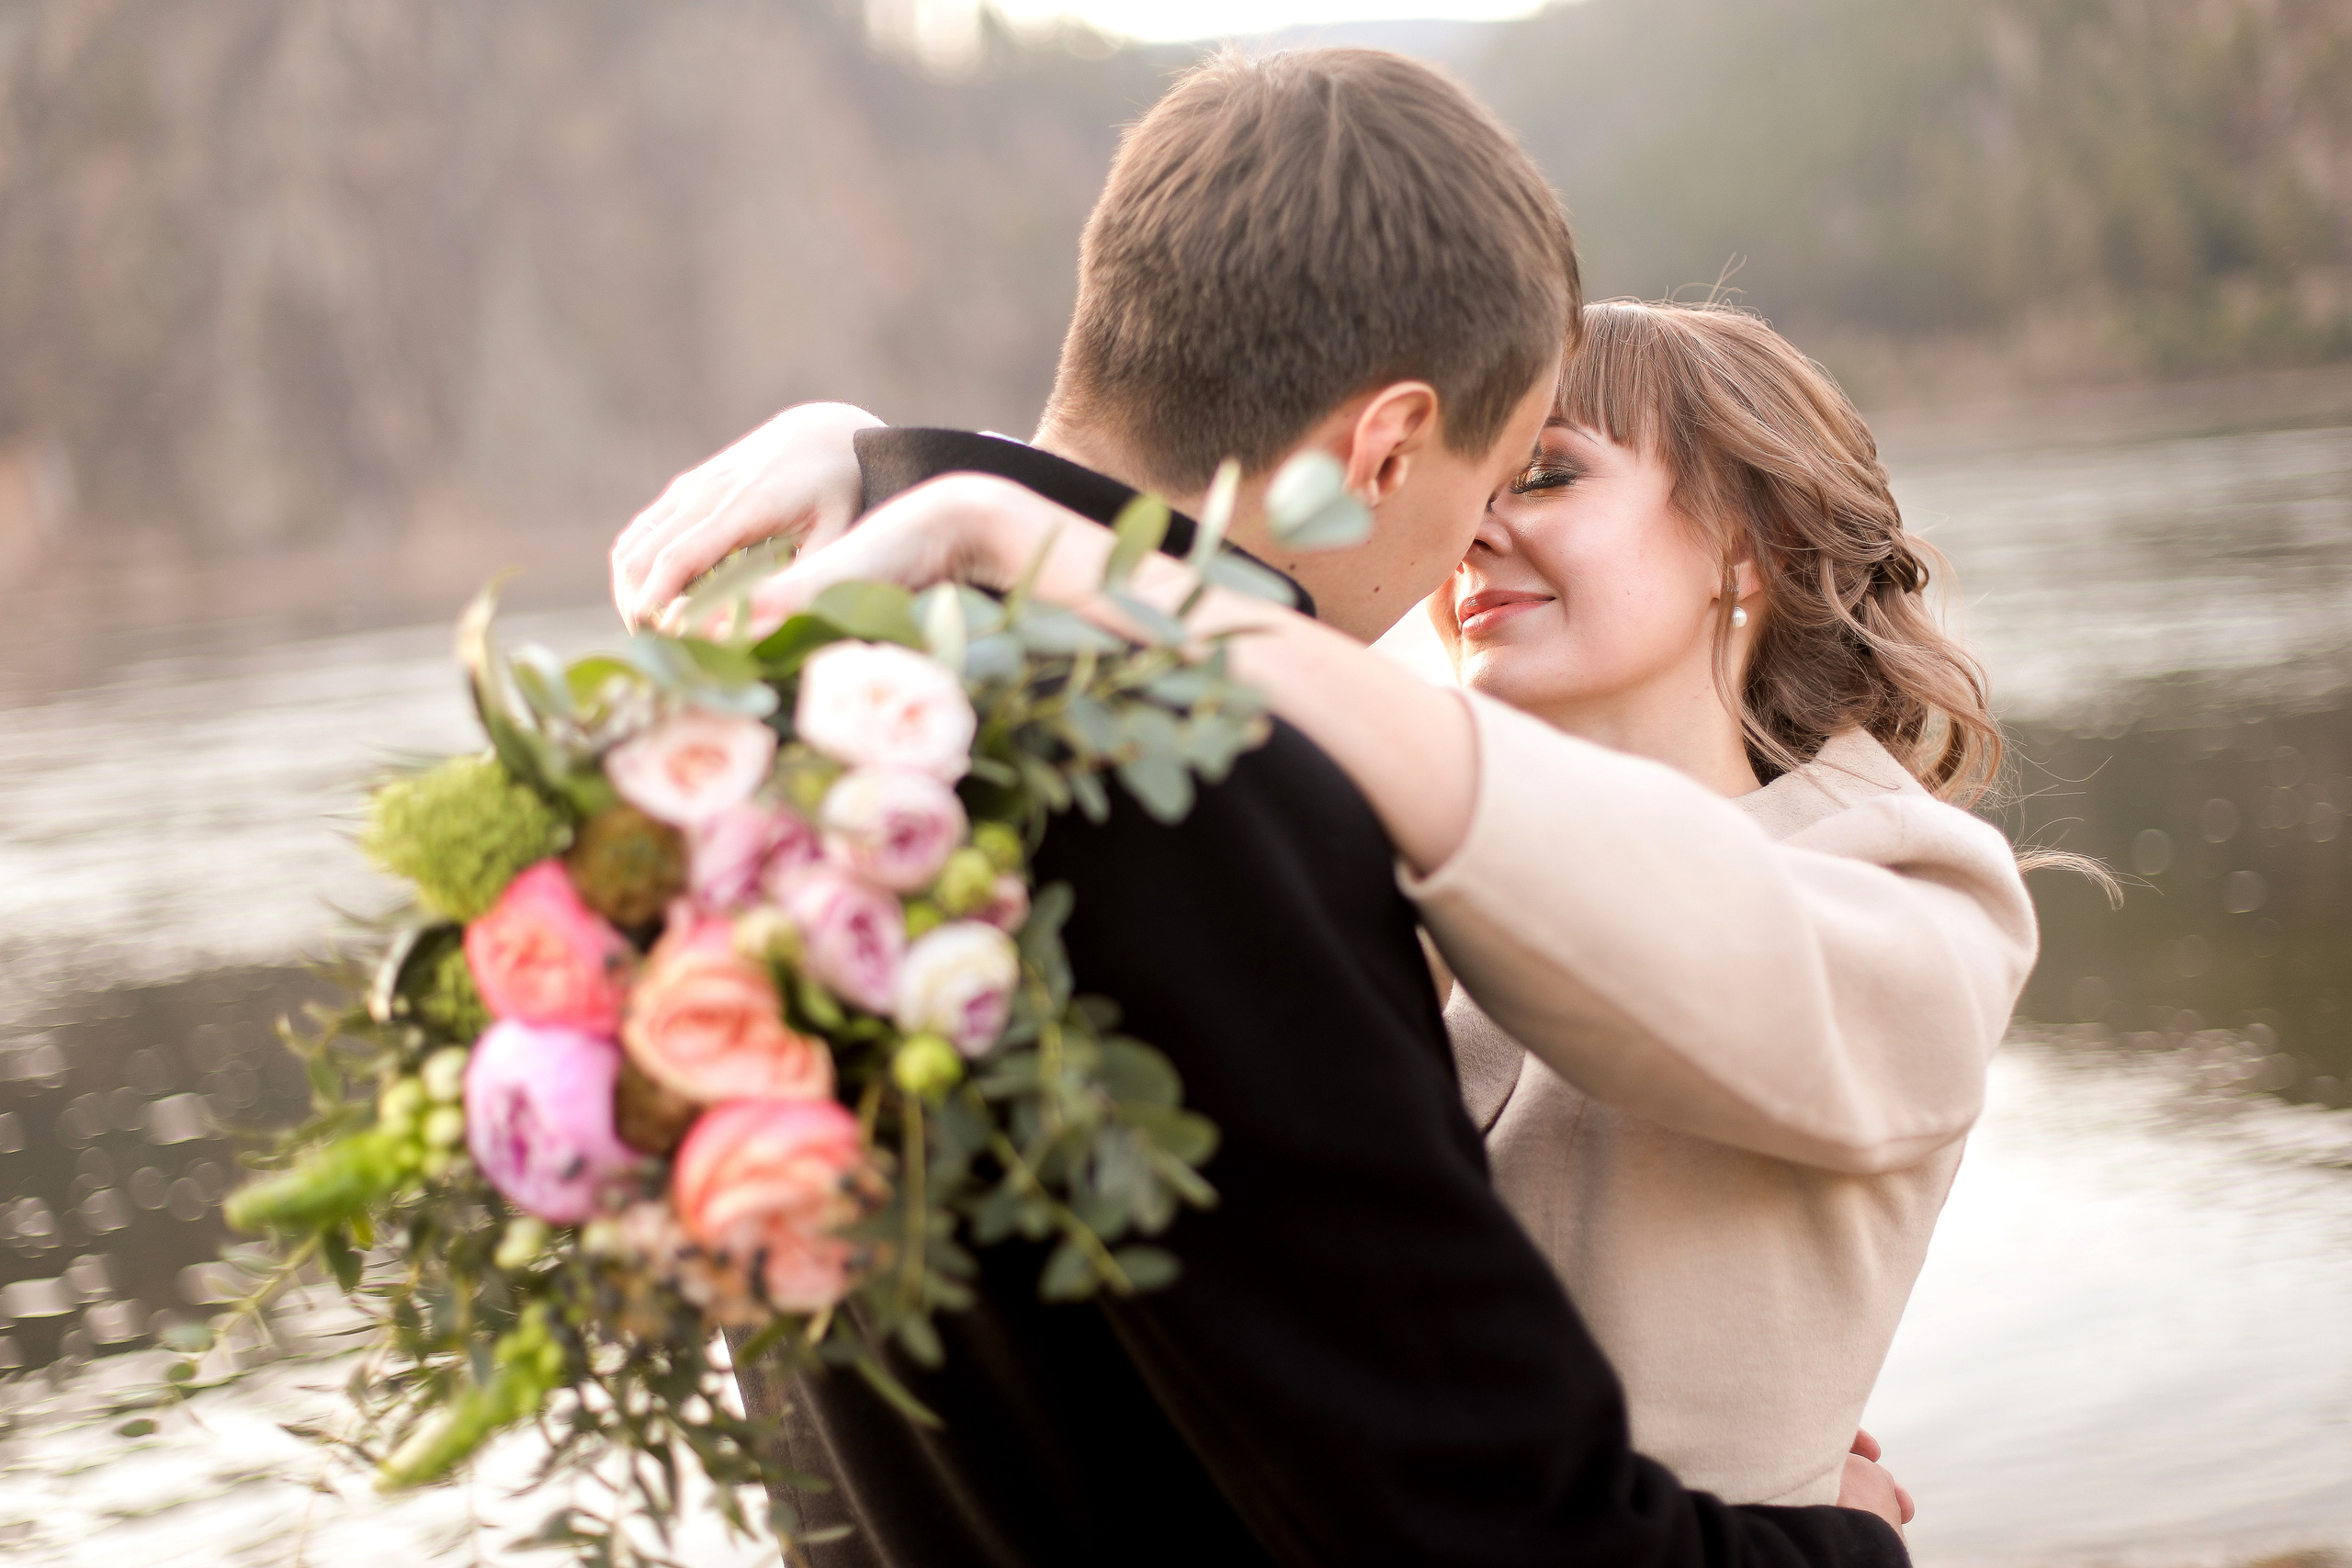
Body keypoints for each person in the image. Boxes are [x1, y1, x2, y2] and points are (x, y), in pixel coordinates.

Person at [617, 47, 1917, 1568]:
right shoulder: (1207, 778)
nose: (1466, 557)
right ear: (1386, 446)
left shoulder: (794, 695)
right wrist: (1836, 1547)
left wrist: (906, 459)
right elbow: (1470, 1531)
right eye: (1489, 476)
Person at [700, 299, 2047, 1517]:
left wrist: (1012, 524)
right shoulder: (1386, 863)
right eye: (1469, 486)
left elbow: (1679, 944)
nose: (1474, 532)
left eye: (1552, 474)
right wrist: (897, 473)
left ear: (1752, 547)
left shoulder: (1916, 897)